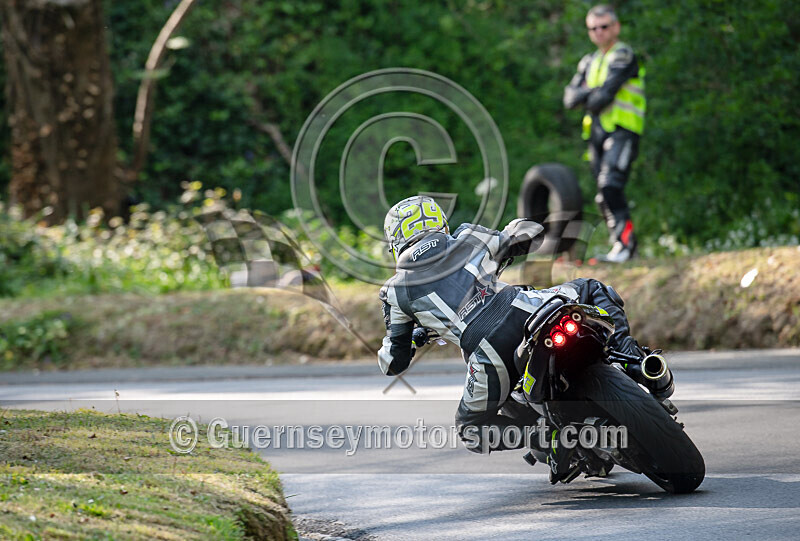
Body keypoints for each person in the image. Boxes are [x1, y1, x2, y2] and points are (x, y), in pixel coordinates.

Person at [377, 195, 649, 481]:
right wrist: (515, 234)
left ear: (396, 240)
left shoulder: (394, 290)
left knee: (470, 429)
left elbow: (394, 362)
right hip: (527, 311)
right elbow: (525, 233)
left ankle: (546, 435)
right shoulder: (469, 236)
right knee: (593, 288)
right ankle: (631, 360)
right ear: (440, 223)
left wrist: (403, 344)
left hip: (488, 354)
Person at [563, 4, 646, 263]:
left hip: (623, 130)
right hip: (597, 134)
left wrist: (587, 92)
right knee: (602, 194)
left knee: (611, 186)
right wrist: (593, 92)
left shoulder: (623, 56)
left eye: (604, 27)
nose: (598, 32)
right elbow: (568, 99)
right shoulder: (590, 61)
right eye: (593, 28)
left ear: (616, 27)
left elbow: (601, 98)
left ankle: (626, 246)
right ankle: (619, 246)